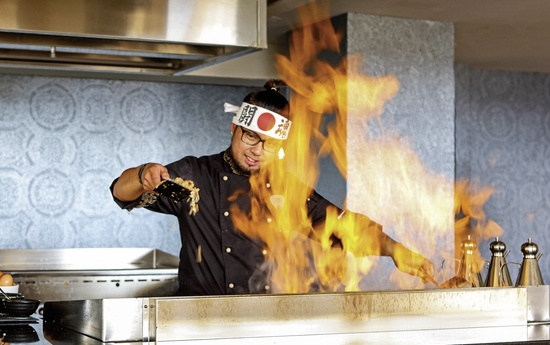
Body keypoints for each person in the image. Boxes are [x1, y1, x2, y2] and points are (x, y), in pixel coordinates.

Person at [110, 80, 435, 296]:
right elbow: (119, 192)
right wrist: (142, 174)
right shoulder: (195, 176)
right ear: (235, 128)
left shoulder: (284, 190)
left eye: (270, 144)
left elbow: (345, 226)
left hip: (261, 321)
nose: (257, 151)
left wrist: (394, 249)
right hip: (197, 320)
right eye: (251, 137)